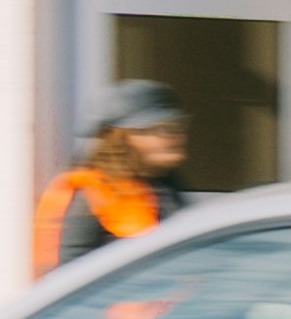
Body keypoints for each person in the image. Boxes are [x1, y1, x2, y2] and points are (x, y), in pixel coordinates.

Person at [32, 77, 191, 273]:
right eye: (157, 129)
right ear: (119, 139)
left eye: (176, 127)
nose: (174, 137)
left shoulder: (165, 186)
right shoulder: (88, 195)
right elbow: (64, 281)